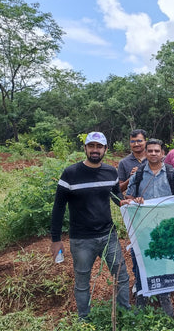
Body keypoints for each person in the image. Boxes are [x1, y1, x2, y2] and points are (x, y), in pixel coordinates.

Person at [50, 131, 131, 319]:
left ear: (105, 150)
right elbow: (58, 208)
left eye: (99, 147)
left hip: (108, 235)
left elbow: (114, 194)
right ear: (85, 148)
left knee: (121, 276)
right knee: (82, 282)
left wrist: (122, 202)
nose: (95, 150)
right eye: (92, 146)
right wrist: (55, 240)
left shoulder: (111, 171)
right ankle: (84, 319)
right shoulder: (71, 173)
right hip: (81, 239)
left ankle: (125, 312)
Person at [125, 138, 174, 317]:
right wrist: (134, 200)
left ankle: (164, 295)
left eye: (156, 151)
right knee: (141, 260)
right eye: (149, 151)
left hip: (165, 227)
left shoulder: (172, 173)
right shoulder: (139, 173)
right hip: (143, 226)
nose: (153, 154)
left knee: (163, 261)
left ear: (162, 154)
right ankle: (142, 295)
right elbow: (128, 197)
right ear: (145, 153)